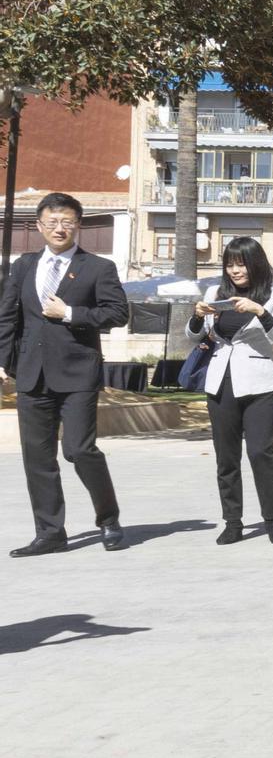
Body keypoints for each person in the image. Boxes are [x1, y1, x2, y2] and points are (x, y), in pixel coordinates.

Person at [0, 192, 128, 556]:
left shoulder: (98, 267)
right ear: (40, 226)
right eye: (53, 222)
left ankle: (108, 519)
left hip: (77, 373)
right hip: (31, 374)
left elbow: (118, 314)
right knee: (37, 457)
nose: (60, 228)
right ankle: (50, 532)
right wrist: (3, 359)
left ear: (78, 225)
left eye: (67, 222)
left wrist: (71, 313)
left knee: (78, 450)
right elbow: (9, 316)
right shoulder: (23, 265)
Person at [191, 237, 273, 546]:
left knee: (260, 452)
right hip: (221, 381)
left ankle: (272, 518)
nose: (235, 270)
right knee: (226, 457)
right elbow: (196, 335)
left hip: (259, 383)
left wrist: (259, 311)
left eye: (241, 263)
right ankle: (232, 521)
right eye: (230, 264)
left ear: (255, 263)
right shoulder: (214, 292)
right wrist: (197, 316)